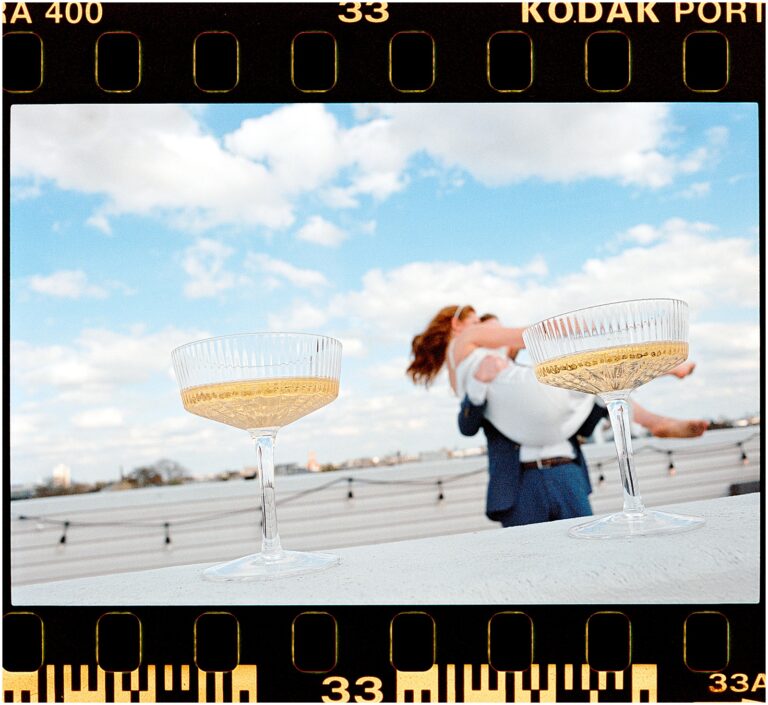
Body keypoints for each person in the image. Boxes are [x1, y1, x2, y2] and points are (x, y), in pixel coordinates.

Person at [407, 304, 709, 527]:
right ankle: (659, 373)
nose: (490, 331)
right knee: (587, 365)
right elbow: (536, 335)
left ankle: (656, 417)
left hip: (563, 464)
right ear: (457, 324)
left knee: (598, 389)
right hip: (522, 476)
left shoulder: (455, 372)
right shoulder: (470, 336)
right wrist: (593, 324)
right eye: (478, 322)